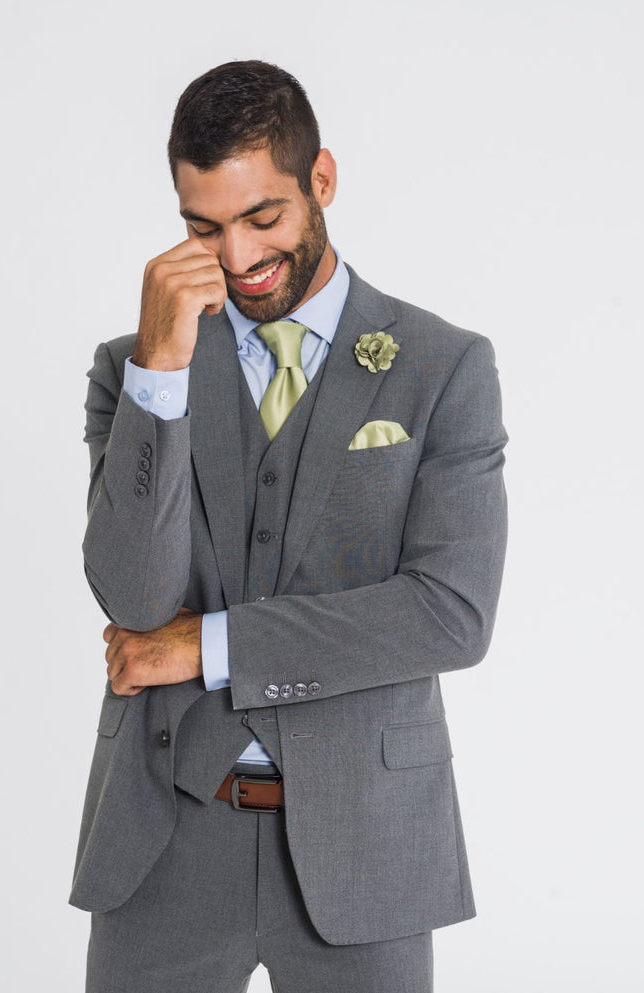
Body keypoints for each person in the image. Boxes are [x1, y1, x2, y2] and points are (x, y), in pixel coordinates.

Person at [70, 59, 508, 993]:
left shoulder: (443, 368)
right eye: (203, 228)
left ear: (322, 182)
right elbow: (134, 594)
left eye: (261, 218)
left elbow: (449, 615)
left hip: (367, 844)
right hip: (164, 841)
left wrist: (209, 645)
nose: (234, 258)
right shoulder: (135, 368)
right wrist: (160, 369)